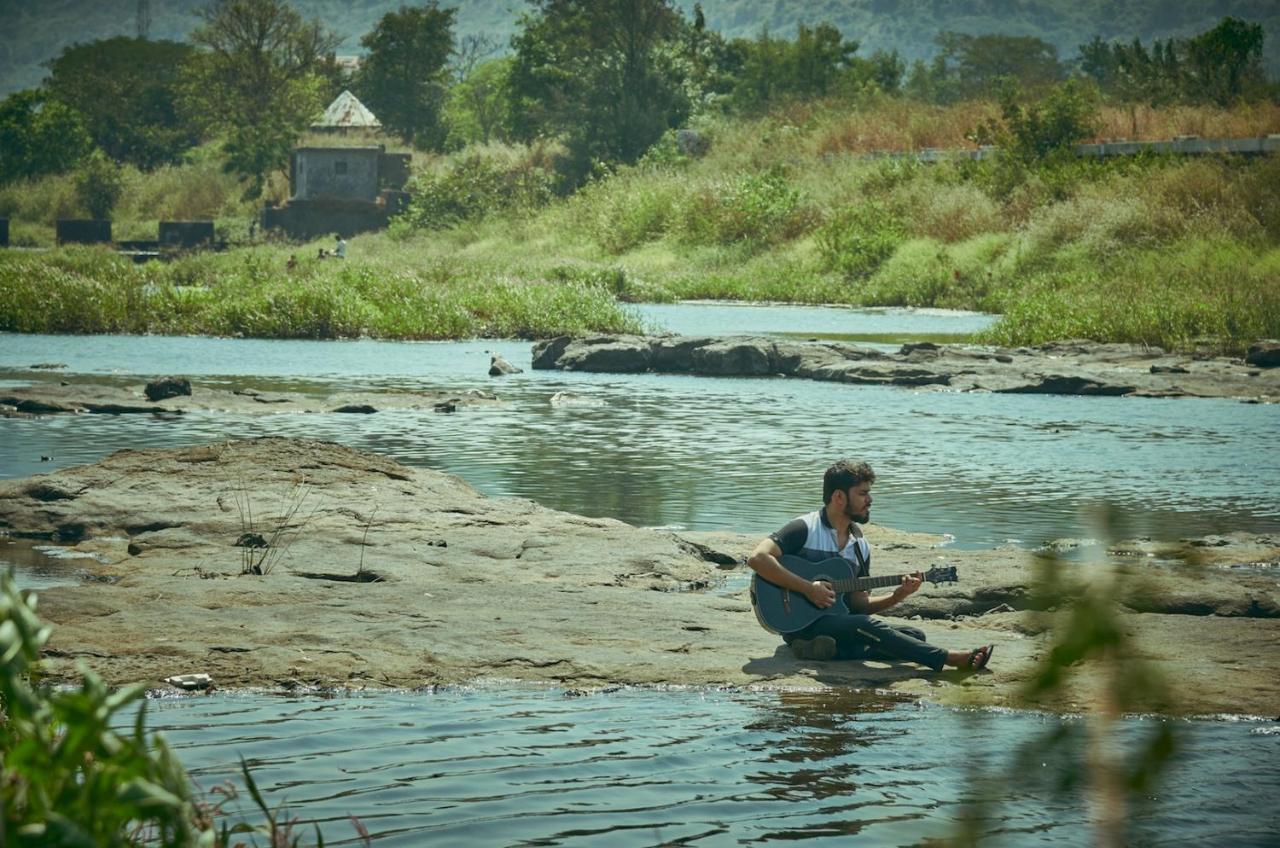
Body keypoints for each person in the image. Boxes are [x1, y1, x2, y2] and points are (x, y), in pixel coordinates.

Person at [747, 459, 993, 670]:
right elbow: (758, 559)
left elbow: (859, 605)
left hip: (838, 622)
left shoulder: (859, 545)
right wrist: (808, 589)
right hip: (796, 622)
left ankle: (828, 652)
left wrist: (898, 595)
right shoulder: (804, 528)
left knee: (915, 635)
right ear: (839, 497)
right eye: (863, 493)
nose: (870, 499)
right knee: (866, 627)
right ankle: (948, 658)